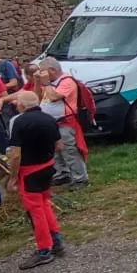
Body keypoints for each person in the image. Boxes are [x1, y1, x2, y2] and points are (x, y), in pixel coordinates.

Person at [4, 91, 67, 269]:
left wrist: (13, 178)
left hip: (30, 171)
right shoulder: (49, 119)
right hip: (47, 167)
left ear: (22, 105)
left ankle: (43, 250)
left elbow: (15, 155)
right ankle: (56, 241)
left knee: (35, 211)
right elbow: (59, 146)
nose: (16, 104)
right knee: (44, 204)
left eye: (17, 102)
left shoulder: (20, 122)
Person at [38, 57, 89, 188]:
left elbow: (54, 97)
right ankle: (62, 174)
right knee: (55, 150)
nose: (41, 74)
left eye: (43, 71)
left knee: (69, 151)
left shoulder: (67, 82)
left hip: (65, 122)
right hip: (52, 123)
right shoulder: (49, 82)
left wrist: (47, 84)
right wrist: (38, 82)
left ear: (52, 70)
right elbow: (37, 96)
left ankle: (80, 179)